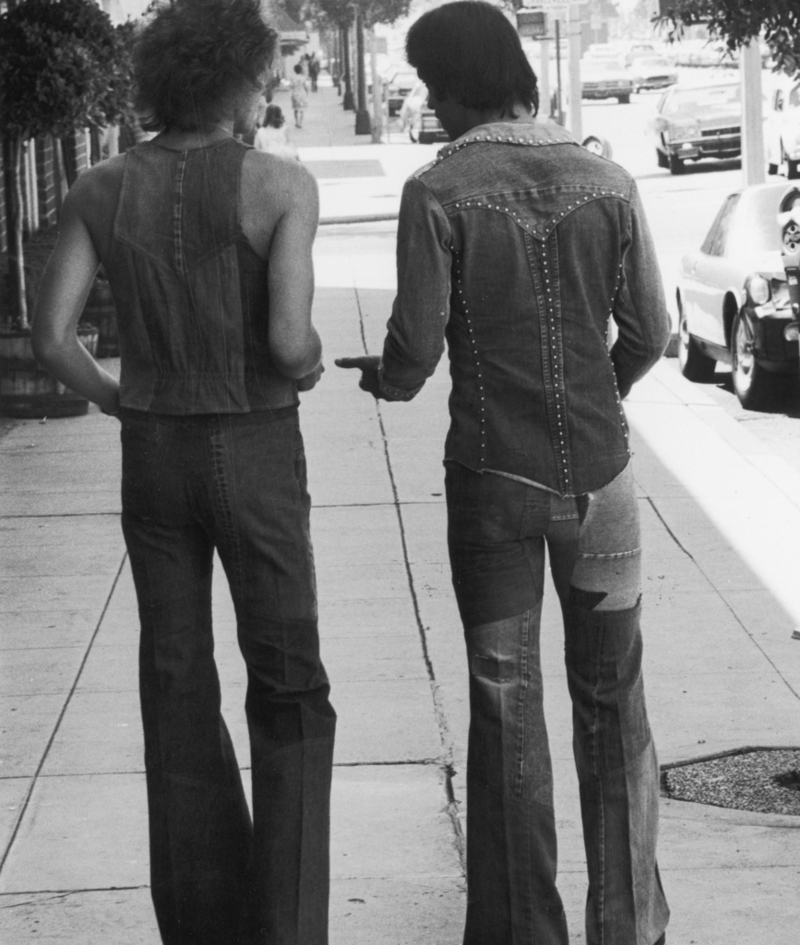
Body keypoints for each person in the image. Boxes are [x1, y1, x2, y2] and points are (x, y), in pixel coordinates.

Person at [336, 3, 670, 944]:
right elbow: (652, 331)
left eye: (434, 88)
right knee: (615, 702)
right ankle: (629, 926)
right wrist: (602, 394)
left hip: (492, 483)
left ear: (451, 89)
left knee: (506, 701)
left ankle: (527, 929)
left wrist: (387, 379)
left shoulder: (439, 192)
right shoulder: (607, 179)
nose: (432, 107)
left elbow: (412, 350)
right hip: (604, 488)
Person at [31, 1, 335, 943]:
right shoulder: (280, 185)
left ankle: (202, 926)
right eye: (265, 76)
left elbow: (50, 338)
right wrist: (317, 352)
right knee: (287, 683)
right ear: (237, 83)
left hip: (153, 454)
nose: (271, 90)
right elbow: (288, 344)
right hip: (254, 449)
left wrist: (122, 397)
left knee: (175, 681)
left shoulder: (99, 184)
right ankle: (286, 926)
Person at [290, 62, 310, 129]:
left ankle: (296, 122)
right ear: (301, 70)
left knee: (295, 109)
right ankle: (300, 123)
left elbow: (291, 86)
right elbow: (306, 86)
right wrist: (307, 93)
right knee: (302, 110)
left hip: (295, 93)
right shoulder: (304, 77)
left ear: (294, 70)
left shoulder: (292, 77)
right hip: (302, 93)